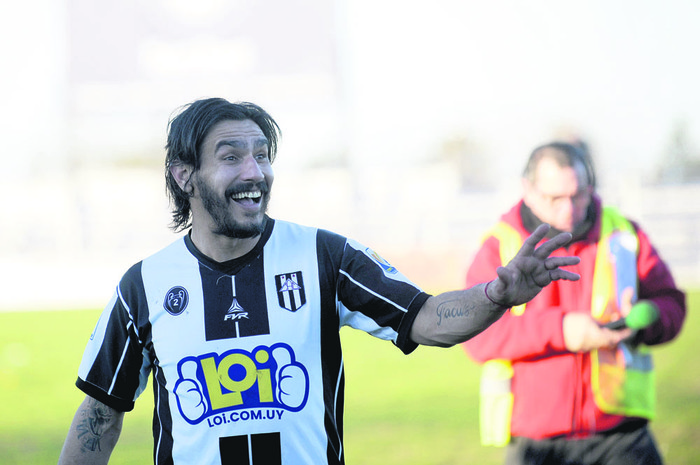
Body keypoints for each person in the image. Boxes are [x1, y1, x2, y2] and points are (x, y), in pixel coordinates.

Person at [58, 98, 581, 465]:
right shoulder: (144, 286)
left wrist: (497, 294)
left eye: (262, 154)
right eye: (231, 156)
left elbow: (426, 319)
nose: (254, 171)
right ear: (184, 175)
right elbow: (100, 416)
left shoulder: (324, 255)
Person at [463, 141, 686, 465]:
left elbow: (672, 305)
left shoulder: (623, 233)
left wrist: (647, 318)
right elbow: (478, 334)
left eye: (578, 194)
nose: (569, 208)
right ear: (528, 189)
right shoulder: (500, 245)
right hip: (535, 445)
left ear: (590, 186)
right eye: (555, 198)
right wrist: (562, 329)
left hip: (621, 436)